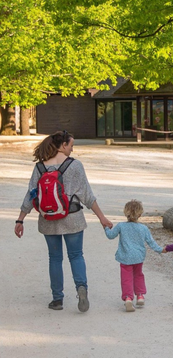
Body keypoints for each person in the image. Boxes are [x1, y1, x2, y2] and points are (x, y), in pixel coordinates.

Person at [15, 130, 113, 312]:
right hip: (73, 218)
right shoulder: (75, 166)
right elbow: (87, 196)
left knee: (55, 258)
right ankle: (81, 289)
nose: (72, 149)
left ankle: (57, 299)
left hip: (48, 219)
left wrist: (20, 220)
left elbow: (30, 195)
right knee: (76, 255)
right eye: (71, 145)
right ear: (63, 145)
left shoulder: (40, 168)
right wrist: (102, 218)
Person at [104, 200, 163, 312]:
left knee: (126, 278)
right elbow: (151, 242)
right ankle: (140, 295)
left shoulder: (121, 226)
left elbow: (110, 236)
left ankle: (128, 298)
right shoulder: (143, 228)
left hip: (125, 257)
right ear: (140, 214)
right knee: (138, 275)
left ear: (125, 213)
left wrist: (106, 228)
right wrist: (160, 250)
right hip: (138, 257)